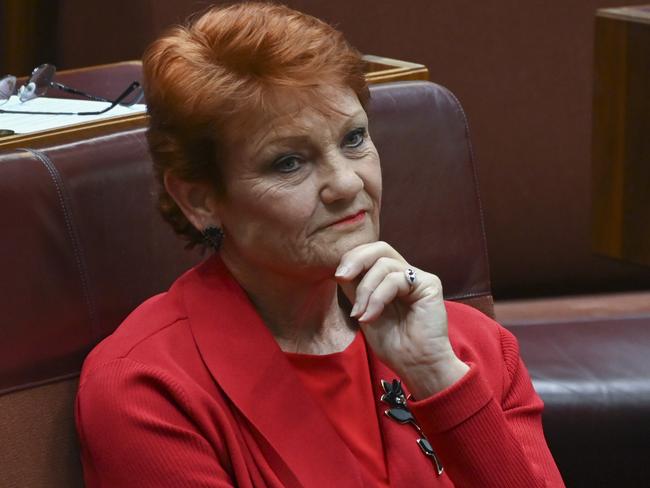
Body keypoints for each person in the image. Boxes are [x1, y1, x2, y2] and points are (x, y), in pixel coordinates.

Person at [75, 2, 565, 487]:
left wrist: (437, 378)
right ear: (200, 200)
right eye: (288, 162)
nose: (347, 183)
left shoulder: (469, 348)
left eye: (354, 138)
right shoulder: (148, 389)